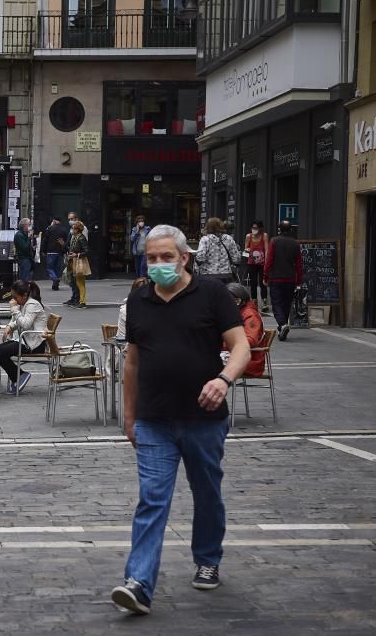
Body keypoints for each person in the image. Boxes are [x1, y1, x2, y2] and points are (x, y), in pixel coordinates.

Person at [110, 224, 250, 616]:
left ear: (184, 258)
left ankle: (208, 558)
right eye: (152, 258)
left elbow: (241, 346)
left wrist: (224, 380)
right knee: (152, 499)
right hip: (155, 420)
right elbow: (133, 362)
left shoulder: (211, 293)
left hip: (204, 419)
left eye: (166, 257)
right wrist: (129, 417)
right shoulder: (138, 299)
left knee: (207, 493)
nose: (158, 264)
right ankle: (138, 583)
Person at [0, 280, 48, 394]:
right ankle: (18, 376)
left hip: (35, 344)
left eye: (15, 297)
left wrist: (14, 309)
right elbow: (17, 321)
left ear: (24, 295)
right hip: (25, 340)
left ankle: (19, 376)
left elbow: (25, 323)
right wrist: (10, 326)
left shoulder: (32, 304)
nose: (13, 300)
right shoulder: (24, 303)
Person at [263, 220, 303, 341]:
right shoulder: (296, 244)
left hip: (276, 278)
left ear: (279, 229)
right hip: (290, 278)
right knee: (286, 304)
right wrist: (299, 280)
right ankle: (282, 328)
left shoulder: (274, 241)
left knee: (276, 303)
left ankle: (282, 324)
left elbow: (268, 260)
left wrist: (265, 276)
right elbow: (299, 264)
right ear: (291, 230)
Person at [226, 283, 266, 378]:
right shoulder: (238, 312)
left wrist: (225, 341)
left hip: (250, 361)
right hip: (240, 356)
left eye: (235, 301)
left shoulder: (250, 315)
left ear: (241, 301)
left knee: (206, 363)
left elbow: (250, 340)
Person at [195, 217, 241, 284]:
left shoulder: (205, 240)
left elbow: (200, 258)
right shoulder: (228, 239)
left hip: (208, 276)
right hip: (226, 276)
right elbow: (236, 259)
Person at [244, 220, 269, 313]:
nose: (254, 230)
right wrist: (246, 251)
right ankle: (254, 302)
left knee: (263, 283)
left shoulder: (264, 236)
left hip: (262, 263)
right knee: (253, 283)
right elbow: (245, 249)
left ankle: (264, 302)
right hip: (251, 263)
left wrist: (267, 262)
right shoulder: (248, 236)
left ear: (260, 228)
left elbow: (267, 249)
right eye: (252, 228)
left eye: (256, 228)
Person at [66, 220, 90, 309]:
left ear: (77, 229)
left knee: (80, 282)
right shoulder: (76, 237)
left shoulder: (81, 238)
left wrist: (77, 254)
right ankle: (80, 300)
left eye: (74, 228)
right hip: (74, 260)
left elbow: (87, 251)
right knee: (78, 282)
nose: (72, 230)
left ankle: (82, 301)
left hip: (80, 261)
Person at [42, 218, 68, 291]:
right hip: (60, 252)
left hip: (50, 251)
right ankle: (55, 284)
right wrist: (65, 250)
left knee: (50, 267)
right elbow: (66, 240)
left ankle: (54, 279)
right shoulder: (64, 230)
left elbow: (45, 240)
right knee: (57, 269)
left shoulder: (49, 229)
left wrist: (43, 250)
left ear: (54, 221)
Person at [13, 218, 34, 282]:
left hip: (27, 258)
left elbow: (26, 246)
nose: (30, 226)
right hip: (23, 258)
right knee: (25, 277)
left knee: (28, 276)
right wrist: (29, 239)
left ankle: (26, 289)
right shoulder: (19, 235)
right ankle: (23, 289)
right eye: (29, 224)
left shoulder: (24, 234)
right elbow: (24, 247)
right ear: (24, 226)